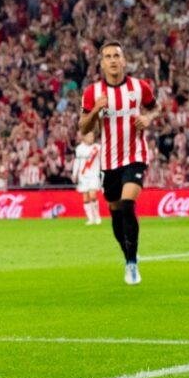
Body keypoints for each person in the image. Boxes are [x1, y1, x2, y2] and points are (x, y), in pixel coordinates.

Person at [78, 41, 160, 285]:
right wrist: (95, 111)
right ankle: (128, 258)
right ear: (102, 64)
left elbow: (156, 108)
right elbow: (84, 127)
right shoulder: (93, 93)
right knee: (115, 213)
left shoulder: (139, 87)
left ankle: (133, 264)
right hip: (109, 161)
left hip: (135, 156)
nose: (113, 60)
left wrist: (148, 118)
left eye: (117, 56)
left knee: (127, 204)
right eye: (108, 57)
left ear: (124, 61)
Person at [72, 130, 102, 226]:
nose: (91, 138)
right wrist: (74, 174)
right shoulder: (79, 148)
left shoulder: (97, 147)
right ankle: (90, 218)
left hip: (94, 175)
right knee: (85, 198)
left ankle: (97, 216)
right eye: (89, 136)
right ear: (84, 137)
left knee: (93, 195)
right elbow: (77, 162)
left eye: (92, 136)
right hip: (83, 175)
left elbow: (102, 159)